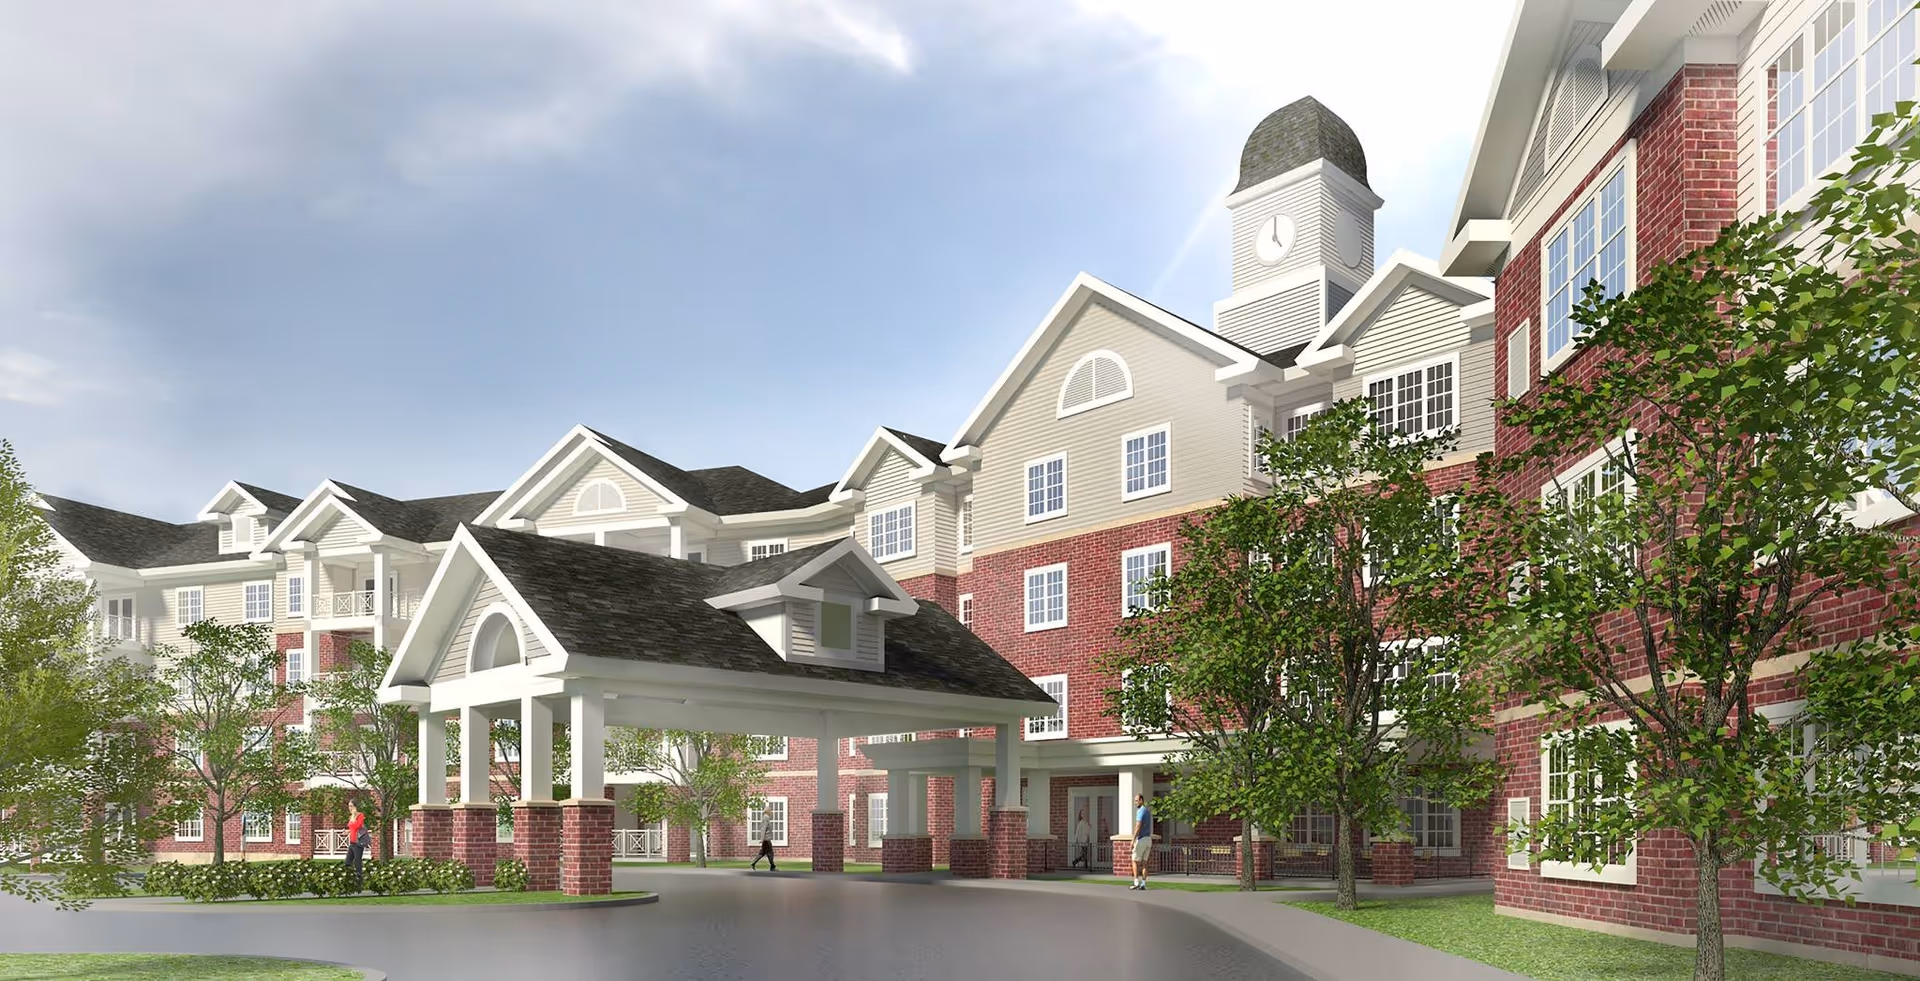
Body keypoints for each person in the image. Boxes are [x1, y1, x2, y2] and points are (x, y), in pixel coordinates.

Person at [1129, 794, 1153, 891]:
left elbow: (1138, 825)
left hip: (1142, 839)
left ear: (1141, 800)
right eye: (1135, 801)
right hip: (1148, 839)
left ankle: (1136, 883)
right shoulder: (1147, 811)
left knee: (1134, 860)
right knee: (1144, 863)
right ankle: (1143, 884)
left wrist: (1133, 839)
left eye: (1137, 800)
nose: (1135, 803)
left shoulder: (1140, 811)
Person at [344, 802, 370, 884]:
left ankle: (359, 880)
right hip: (352, 842)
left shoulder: (360, 816)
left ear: (355, 807)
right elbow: (351, 827)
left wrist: (354, 817)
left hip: (358, 842)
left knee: (357, 861)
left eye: (351, 806)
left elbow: (357, 826)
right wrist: (347, 831)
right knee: (348, 862)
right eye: (349, 806)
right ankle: (348, 878)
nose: (349, 808)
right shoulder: (351, 817)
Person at [1072, 805, 1093, 871]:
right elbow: (1077, 832)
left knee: (1085, 854)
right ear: (1080, 815)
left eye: (1084, 813)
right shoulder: (1080, 823)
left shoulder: (1085, 822)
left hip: (1086, 840)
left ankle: (1081, 864)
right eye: (1082, 813)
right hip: (1082, 841)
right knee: (1084, 854)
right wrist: (1075, 841)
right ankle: (1077, 862)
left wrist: (1089, 827)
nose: (1084, 815)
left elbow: (1087, 832)